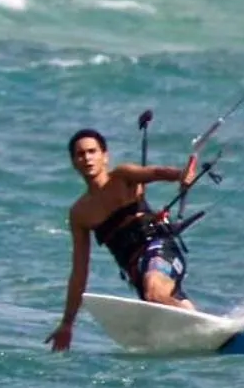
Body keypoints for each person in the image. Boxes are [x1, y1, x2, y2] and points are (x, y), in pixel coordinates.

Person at [45, 128, 199, 352]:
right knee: (163, 305)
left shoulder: (122, 177)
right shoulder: (80, 213)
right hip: (135, 271)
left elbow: (154, 172)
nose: (87, 158)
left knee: (154, 292)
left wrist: (180, 174)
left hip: (160, 250)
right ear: (73, 162)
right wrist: (67, 323)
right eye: (80, 154)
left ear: (104, 155)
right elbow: (79, 271)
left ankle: (199, 325)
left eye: (92, 151)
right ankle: (210, 330)